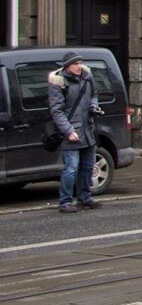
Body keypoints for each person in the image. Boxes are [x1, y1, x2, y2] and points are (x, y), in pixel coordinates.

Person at [48, 51, 103, 213]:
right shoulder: (58, 83)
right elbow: (56, 111)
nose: (79, 66)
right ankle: (65, 202)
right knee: (71, 168)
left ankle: (84, 198)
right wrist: (68, 131)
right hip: (71, 132)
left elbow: (94, 94)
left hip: (87, 129)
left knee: (87, 167)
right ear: (67, 66)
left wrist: (94, 106)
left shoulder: (87, 76)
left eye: (80, 63)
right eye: (75, 64)